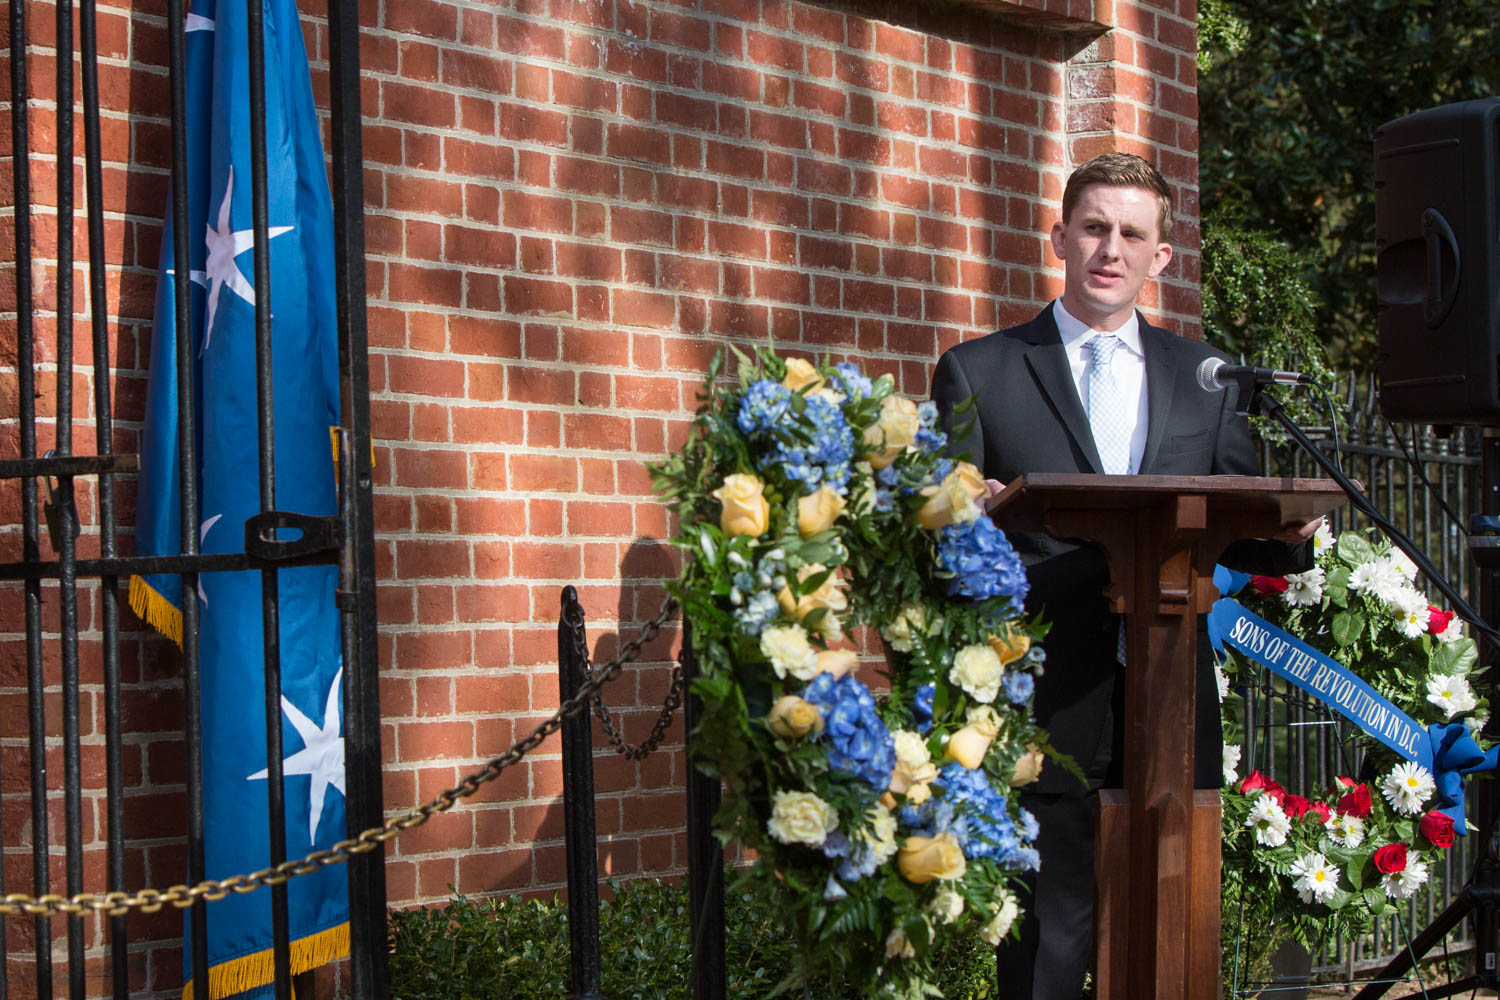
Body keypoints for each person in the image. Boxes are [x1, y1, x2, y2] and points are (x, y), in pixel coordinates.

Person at [930, 152, 1314, 998]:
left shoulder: (1205, 377)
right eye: (1095, 228)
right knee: (1047, 941)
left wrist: (1293, 531)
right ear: (1060, 236)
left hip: (1169, 694)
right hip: (1045, 692)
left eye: (1132, 234)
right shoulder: (980, 371)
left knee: (1172, 922)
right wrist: (974, 516)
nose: (1111, 249)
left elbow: (1244, 529)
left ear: (1160, 258)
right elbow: (941, 546)